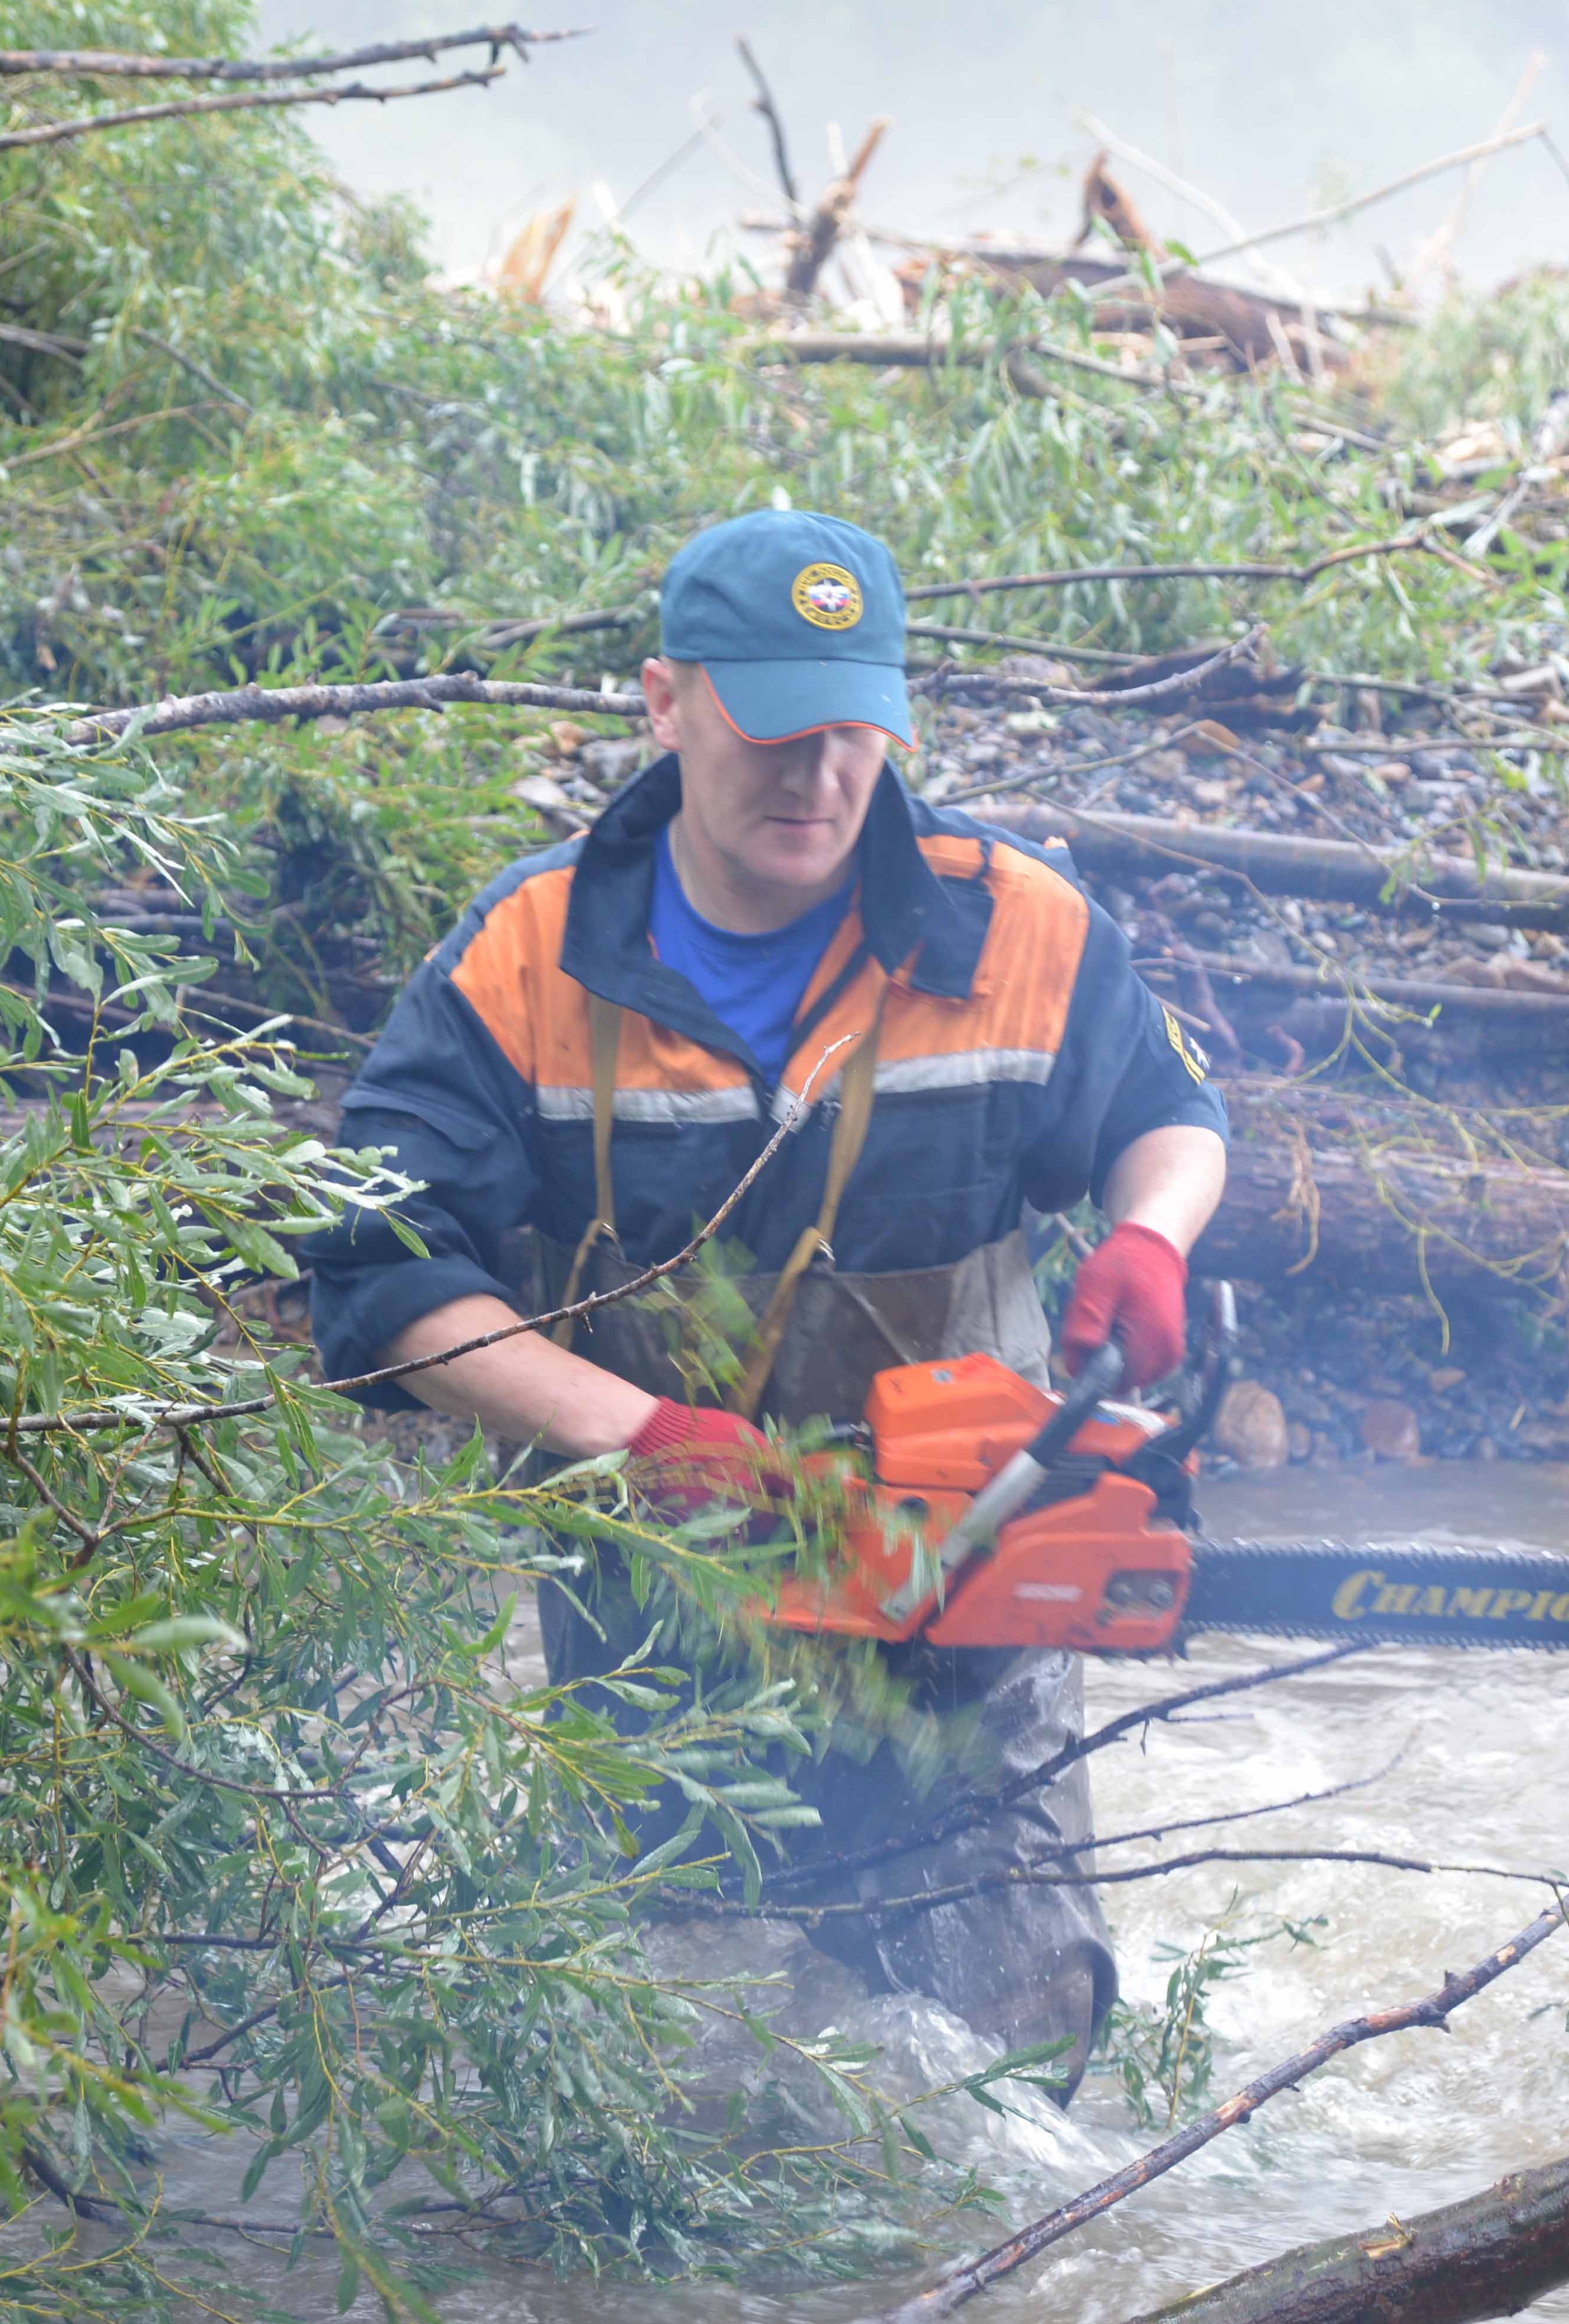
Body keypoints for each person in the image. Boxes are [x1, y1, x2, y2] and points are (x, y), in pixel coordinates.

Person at [302, 509, 1229, 2083]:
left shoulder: (1019, 927)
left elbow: (1170, 1116)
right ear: (666, 704)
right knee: (674, 2081)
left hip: (973, 1610)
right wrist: (644, 1434)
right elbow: (377, 1266)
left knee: (1014, 2073)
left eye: (855, 731)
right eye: (778, 730)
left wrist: (1152, 1236)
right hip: (654, 1622)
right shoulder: (525, 959)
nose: (821, 777)